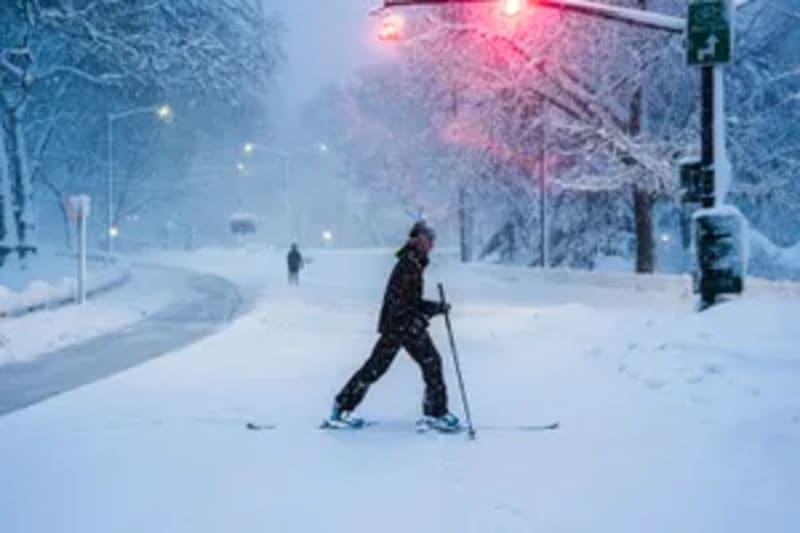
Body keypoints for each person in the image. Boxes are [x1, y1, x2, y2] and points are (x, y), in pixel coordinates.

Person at [326, 221, 460, 432]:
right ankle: (436, 413)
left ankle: (342, 406)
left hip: (400, 325)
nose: (432, 244)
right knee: (430, 362)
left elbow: (409, 301)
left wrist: (435, 308)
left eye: (433, 240)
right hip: (402, 325)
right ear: (416, 240)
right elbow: (404, 302)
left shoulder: (414, 262)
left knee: (377, 367)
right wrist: (431, 310)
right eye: (428, 239)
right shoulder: (409, 263)